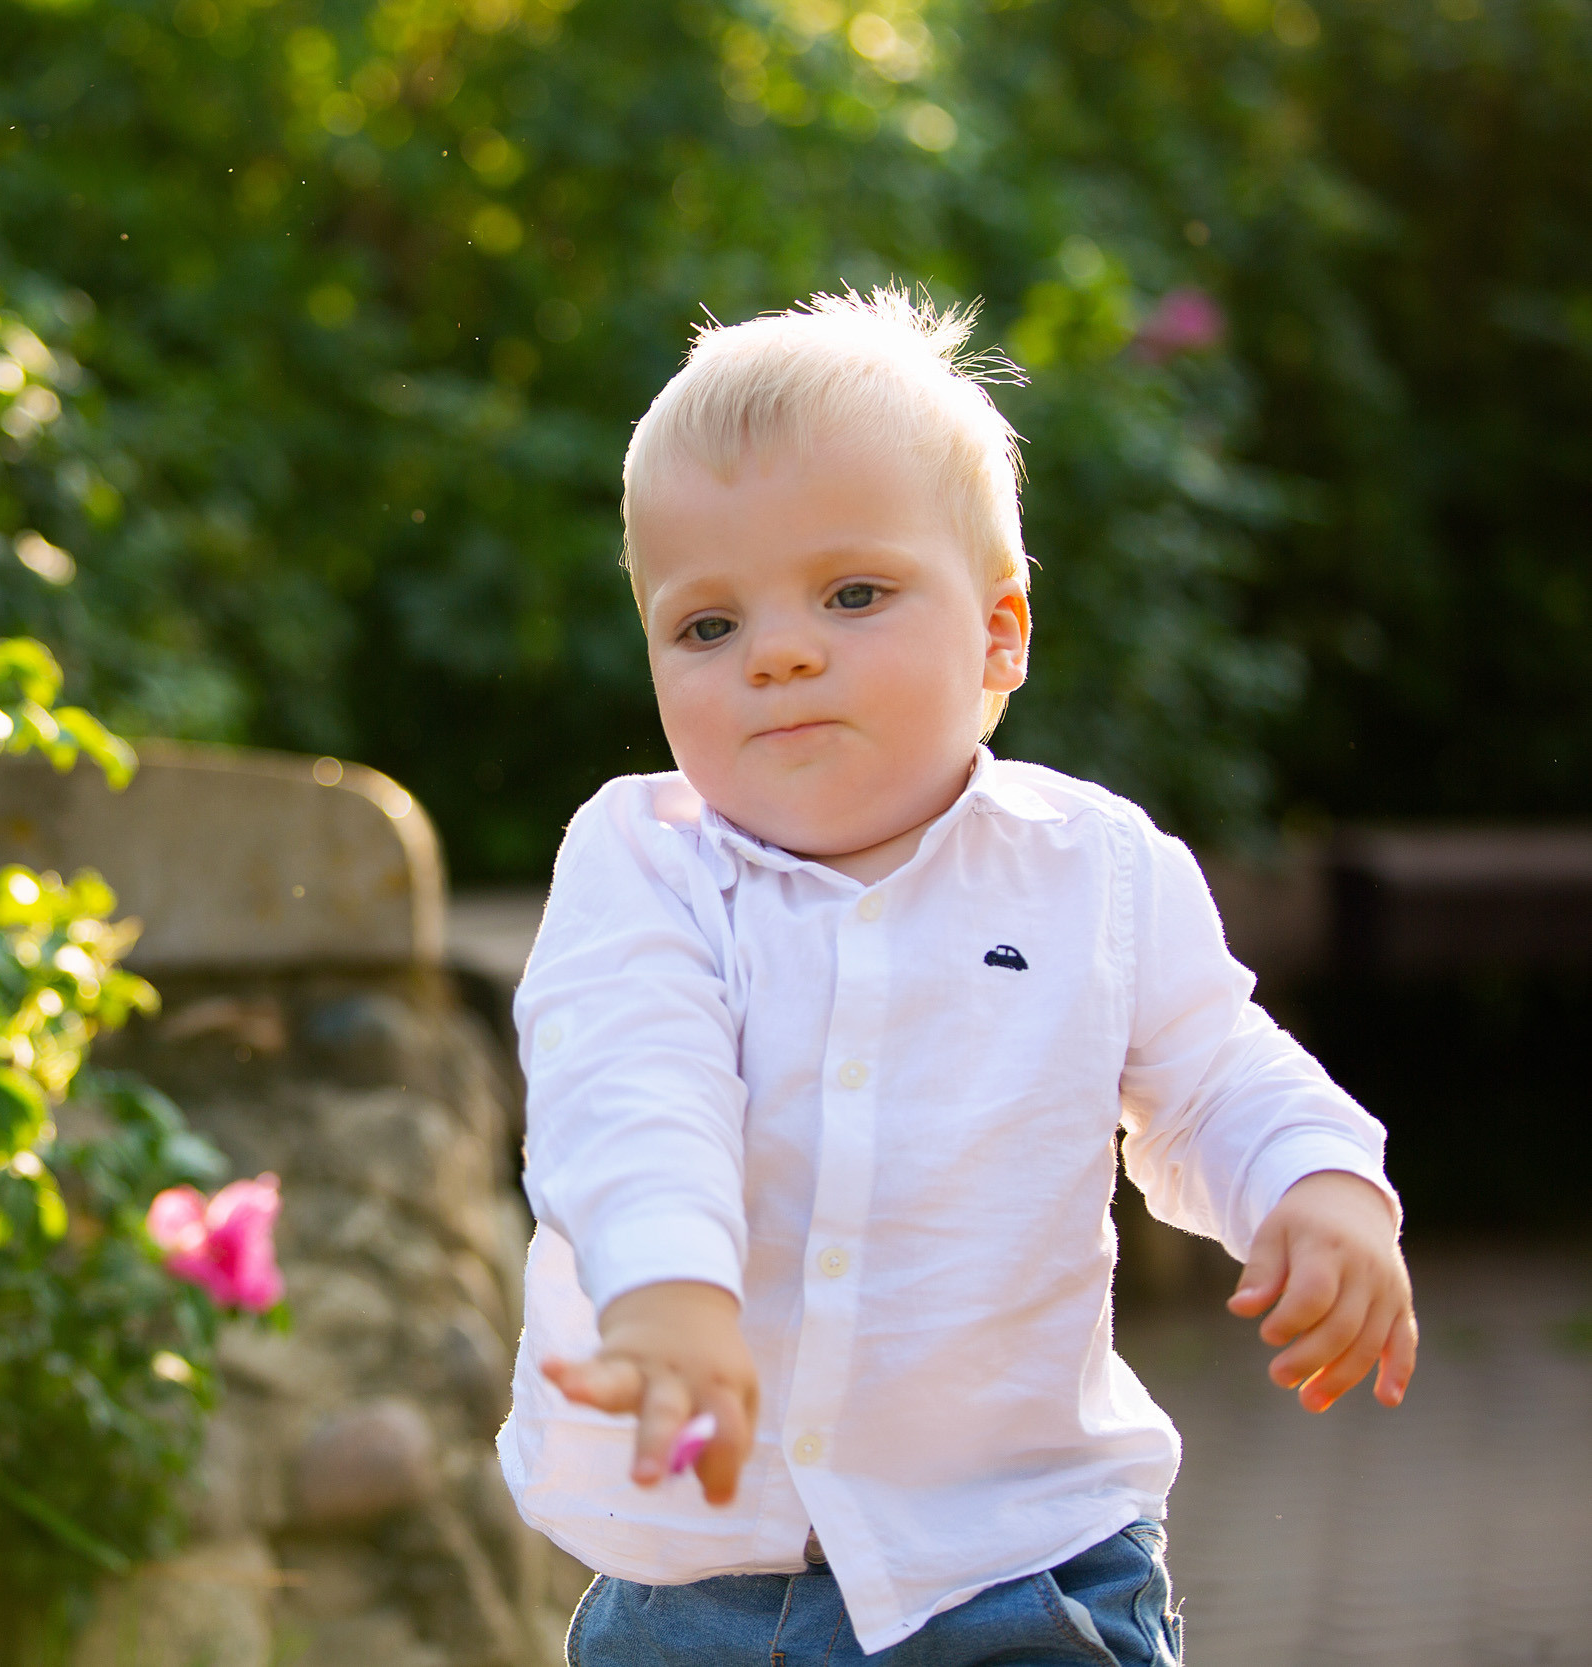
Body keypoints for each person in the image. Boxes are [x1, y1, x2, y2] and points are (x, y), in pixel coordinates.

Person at [496, 289, 1417, 1665]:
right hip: (698, 1585)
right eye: (706, 627)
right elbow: (629, 1085)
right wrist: (667, 1287)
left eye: (852, 593)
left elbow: (1215, 1072)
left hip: (1017, 1568)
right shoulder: (645, 865)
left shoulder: (1090, 870)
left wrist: (1318, 1185)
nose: (780, 651)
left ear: (1000, 635)